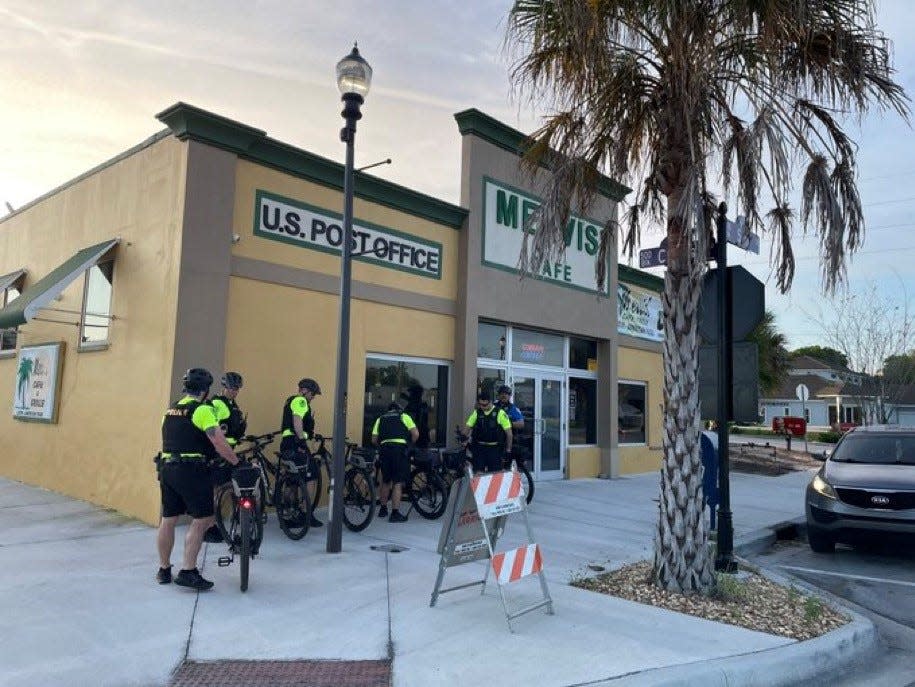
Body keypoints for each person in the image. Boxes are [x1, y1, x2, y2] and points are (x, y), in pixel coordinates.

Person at [157, 367, 239, 591]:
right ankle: (188, 571)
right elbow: (219, 441)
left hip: (167, 468)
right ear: (205, 391)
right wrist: (235, 461)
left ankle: (164, 569)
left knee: (169, 518)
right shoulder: (202, 410)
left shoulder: (171, 409)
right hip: (191, 470)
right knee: (203, 518)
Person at [204, 371, 248, 543]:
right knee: (216, 491)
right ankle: (209, 527)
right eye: (231, 388)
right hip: (217, 452)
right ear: (224, 387)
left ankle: (218, 523)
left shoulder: (232, 404)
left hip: (228, 451)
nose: (234, 391)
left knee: (225, 489)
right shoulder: (217, 403)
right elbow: (212, 429)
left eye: (237, 388)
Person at [279, 378, 323, 527]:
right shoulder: (300, 401)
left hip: (287, 444)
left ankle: (288, 512)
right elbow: (297, 423)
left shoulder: (290, 401)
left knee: (292, 479)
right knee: (311, 475)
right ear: (305, 391)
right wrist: (302, 441)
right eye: (313, 394)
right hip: (295, 443)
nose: (313, 398)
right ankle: (305, 514)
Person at [371, 402, 419, 522]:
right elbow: (415, 434)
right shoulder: (404, 416)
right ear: (398, 409)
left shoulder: (380, 419)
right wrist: (409, 444)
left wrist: (381, 446)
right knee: (397, 482)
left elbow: (374, 439)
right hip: (399, 450)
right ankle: (395, 513)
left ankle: (383, 509)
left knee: (386, 480)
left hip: (384, 450)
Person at [462, 392, 512, 473]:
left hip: (494, 449)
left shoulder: (500, 413)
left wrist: (508, 450)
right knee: (478, 474)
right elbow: (468, 427)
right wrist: (463, 438)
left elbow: (509, 434)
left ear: (491, 402)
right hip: (479, 448)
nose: (482, 407)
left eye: (485, 405)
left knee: (494, 475)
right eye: (480, 404)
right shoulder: (477, 413)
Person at [401, 384, 431, 449]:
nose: (410, 395)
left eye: (411, 393)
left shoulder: (417, 407)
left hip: (418, 440)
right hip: (420, 439)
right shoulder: (420, 406)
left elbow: (413, 422)